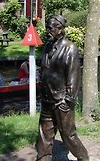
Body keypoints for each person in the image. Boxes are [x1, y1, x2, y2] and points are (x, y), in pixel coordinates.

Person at [36, 15, 89, 161]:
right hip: (47, 99)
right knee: (44, 134)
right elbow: (44, 69)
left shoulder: (70, 48)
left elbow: (74, 76)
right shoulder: (47, 46)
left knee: (68, 135)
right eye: (47, 27)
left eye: (50, 28)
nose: (47, 30)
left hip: (61, 101)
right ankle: (42, 158)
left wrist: (68, 99)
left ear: (60, 29)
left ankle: (83, 157)